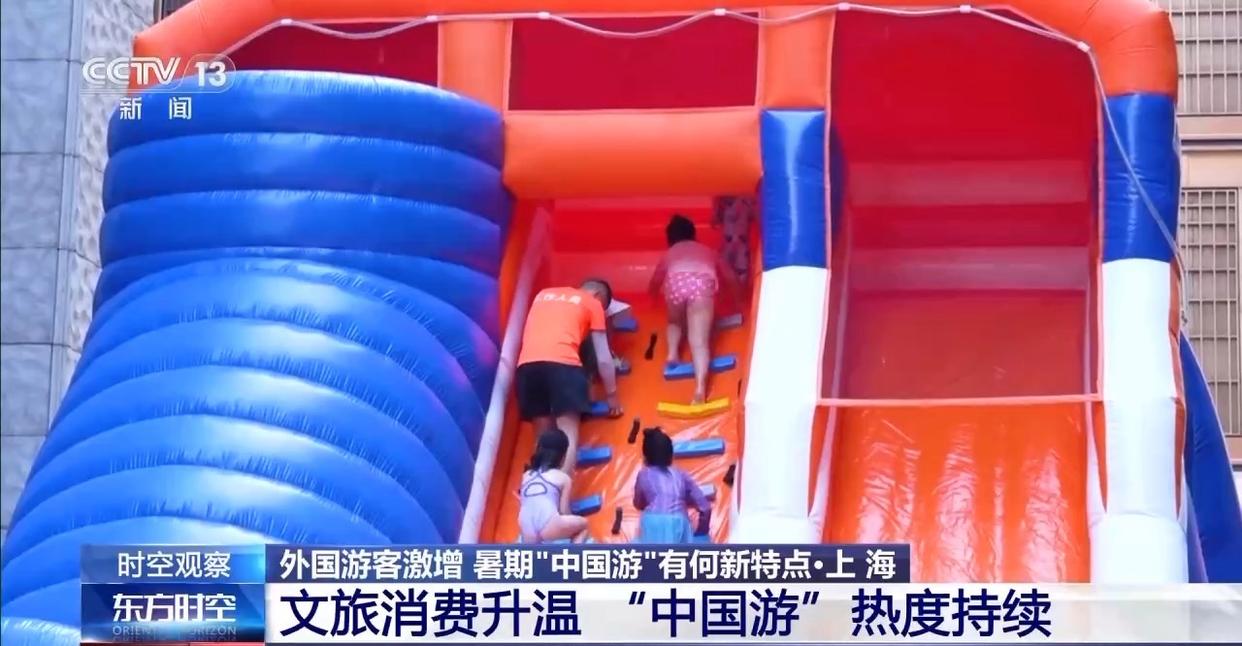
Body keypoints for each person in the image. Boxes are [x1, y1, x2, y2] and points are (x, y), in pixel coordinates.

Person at [516, 279, 622, 476]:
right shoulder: (592, 303)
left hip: (527, 365)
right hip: (564, 365)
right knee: (568, 436)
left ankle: (537, 487)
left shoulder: (543, 294)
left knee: (543, 439)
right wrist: (612, 395)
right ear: (599, 296)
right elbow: (604, 357)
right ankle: (562, 493)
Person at [649, 214, 742, 404]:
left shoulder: (670, 253)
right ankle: (699, 388)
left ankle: (673, 353)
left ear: (670, 238)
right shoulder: (708, 251)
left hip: (676, 285)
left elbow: (656, 279)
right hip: (700, 286)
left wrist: (652, 296)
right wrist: (738, 300)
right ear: (693, 234)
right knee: (699, 341)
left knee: (674, 322)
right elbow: (730, 277)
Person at [633, 428, 712, 543]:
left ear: (645, 458)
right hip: (678, 521)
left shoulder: (643, 474)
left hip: (651, 521)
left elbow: (638, 503)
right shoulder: (681, 475)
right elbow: (705, 508)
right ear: (671, 455)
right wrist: (701, 532)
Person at [518, 428, 589, 544]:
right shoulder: (563, 478)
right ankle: (574, 552)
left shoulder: (526, 475)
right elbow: (564, 511)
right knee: (584, 525)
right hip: (549, 523)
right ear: (563, 457)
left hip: (526, 527)